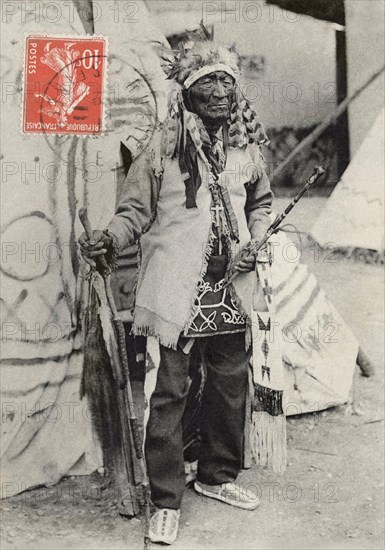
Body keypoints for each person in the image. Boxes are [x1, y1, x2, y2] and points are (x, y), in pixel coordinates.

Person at [79, 40, 273, 545]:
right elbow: (134, 213)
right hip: (174, 289)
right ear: (186, 90)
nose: (219, 91)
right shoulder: (162, 146)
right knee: (168, 392)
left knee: (231, 385)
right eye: (207, 81)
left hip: (229, 284)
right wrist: (109, 238)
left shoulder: (244, 148)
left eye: (227, 82)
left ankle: (216, 475)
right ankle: (165, 499)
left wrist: (257, 239)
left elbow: (261, 202)